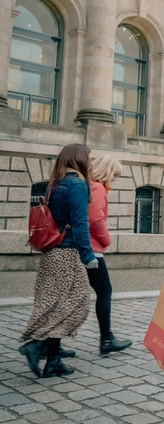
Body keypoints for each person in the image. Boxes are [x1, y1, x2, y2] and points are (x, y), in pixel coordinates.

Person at [19, 144, 98, 378]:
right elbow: (81, 223)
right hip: (66, 253)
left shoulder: (56, 183)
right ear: (80, 160)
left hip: (51, 253)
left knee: (54, 303)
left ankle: (50, 354)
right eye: (89, 158)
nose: (91, 162)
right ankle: (38, 345)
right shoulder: (76, 185)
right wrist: (88, 255)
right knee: (77, 302)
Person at [88, 155, 132, 354]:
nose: (114, 179)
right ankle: (106, 339)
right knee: (105, 291)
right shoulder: (97, 188)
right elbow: (95, 219)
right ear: (106, 171)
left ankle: (49, 343)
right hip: (92, 250)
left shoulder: (89, 186)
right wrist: (106, 240)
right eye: (115, 174)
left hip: (85, 248)